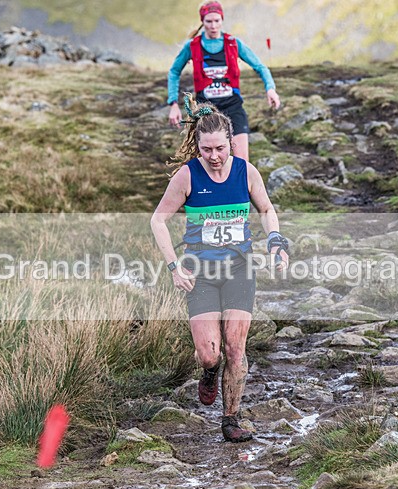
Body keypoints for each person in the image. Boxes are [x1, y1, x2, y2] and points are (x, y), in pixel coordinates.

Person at [151, 95, 289, 442]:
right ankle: (209, 373)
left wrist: (275, 240)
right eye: (206, 149)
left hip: (239, 269)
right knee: (210, 354)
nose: (213, 157)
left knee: (234, 348)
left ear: (231, 142)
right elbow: (158, 220)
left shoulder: (246, 172)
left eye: (219, 149)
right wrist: (173, 266)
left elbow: (267, 209)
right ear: (197, 146)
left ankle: (231, 420)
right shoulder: (187, 176)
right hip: (200, 273)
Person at [167, 1, 281, 162]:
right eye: (209, 21)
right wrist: (173, 104)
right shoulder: (192, 46)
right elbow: (174, 71)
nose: (213, 25)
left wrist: (270, 89)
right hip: (205, 111)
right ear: (202, 22)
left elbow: (260, 67)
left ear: (222, 20)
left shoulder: (233, 43)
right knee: (208, 161)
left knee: (242, 163)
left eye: (217, 21)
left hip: (233, 107)